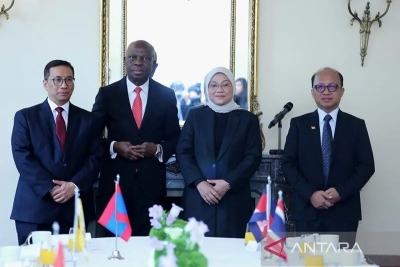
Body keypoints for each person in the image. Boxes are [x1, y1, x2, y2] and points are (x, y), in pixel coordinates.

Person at [92, 40, 181, 236]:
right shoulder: (107, 94)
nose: (138, 62)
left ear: (154, 65)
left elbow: (175, 137)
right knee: (112, 248)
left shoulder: (166, 95)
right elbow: (91, 136)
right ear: (125, 61)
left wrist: (157, 149)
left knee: (148, 248)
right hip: (115, 187)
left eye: (145, 58)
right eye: (133, 57)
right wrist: (114, 146)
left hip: (151, 188)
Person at [11, 60, 103, 245]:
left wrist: (74, 185)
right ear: (45, 83)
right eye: (57, 80)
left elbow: (96, 157)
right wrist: (50, 188)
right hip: (35, 207)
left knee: (75, 260)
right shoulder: (26, 117)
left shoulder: (89, 119)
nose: (64, 85)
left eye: (69, 79)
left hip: (74, 208)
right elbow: (22, 156)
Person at [281, 67, 375, 246]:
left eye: (332, 87)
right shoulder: (298, 125)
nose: (326, 92)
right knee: (306, 262)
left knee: (341, 262)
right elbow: (288, 165)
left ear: (342, 91)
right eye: (320, 87)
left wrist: (341, 192)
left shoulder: (356, 126)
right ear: (312, 92)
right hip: (307, 211)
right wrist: (311, 194)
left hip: (344, 212)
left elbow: (366, 166)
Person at [176, 67, 262, 238]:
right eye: (213, 85)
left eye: (225, 85)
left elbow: (253, 157)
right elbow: (183, 152)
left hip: (233, 199)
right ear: (207, 89)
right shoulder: (195, 115)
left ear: (233, 88)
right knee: (196, 253)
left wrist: (228, 182)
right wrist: (200, 183)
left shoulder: (248, 119)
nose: (219, 90)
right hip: (199, 197)